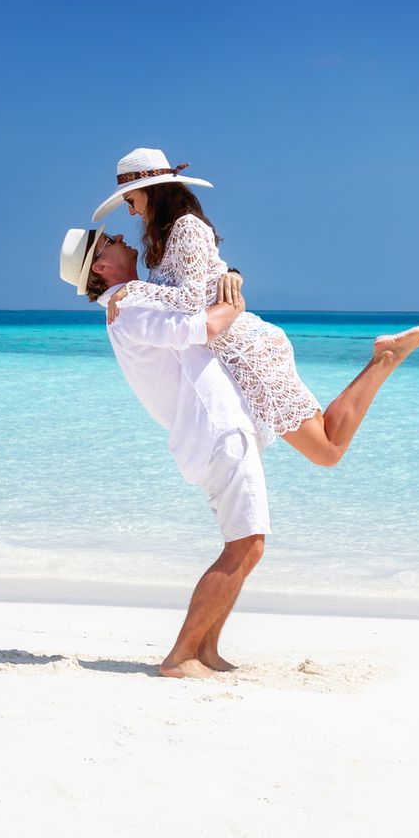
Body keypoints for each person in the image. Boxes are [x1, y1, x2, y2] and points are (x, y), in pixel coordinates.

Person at [89, 147, 419, 467]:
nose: (131, 211)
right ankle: (384, 358)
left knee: (327, 450)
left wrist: (134, 289)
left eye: (131, 201)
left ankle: (384, 358)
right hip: (232, 350)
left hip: (245, 352)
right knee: (324, 445)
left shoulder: (187, 227)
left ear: (152, 191)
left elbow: (192, 301)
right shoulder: (167, 241)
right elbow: (208, 279)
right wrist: (225, 275)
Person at [60, 224, 262, 679]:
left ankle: (206, 650)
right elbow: (204, 325)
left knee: (245, 542)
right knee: (246, 544)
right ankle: (182, 655)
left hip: (209, 428)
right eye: (111, 240)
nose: (122, 238)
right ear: (101, 265)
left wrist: (230, 272)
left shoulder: (135, 297)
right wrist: (235, 302)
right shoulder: (128, 307)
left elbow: (193, 289)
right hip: (213, 427)